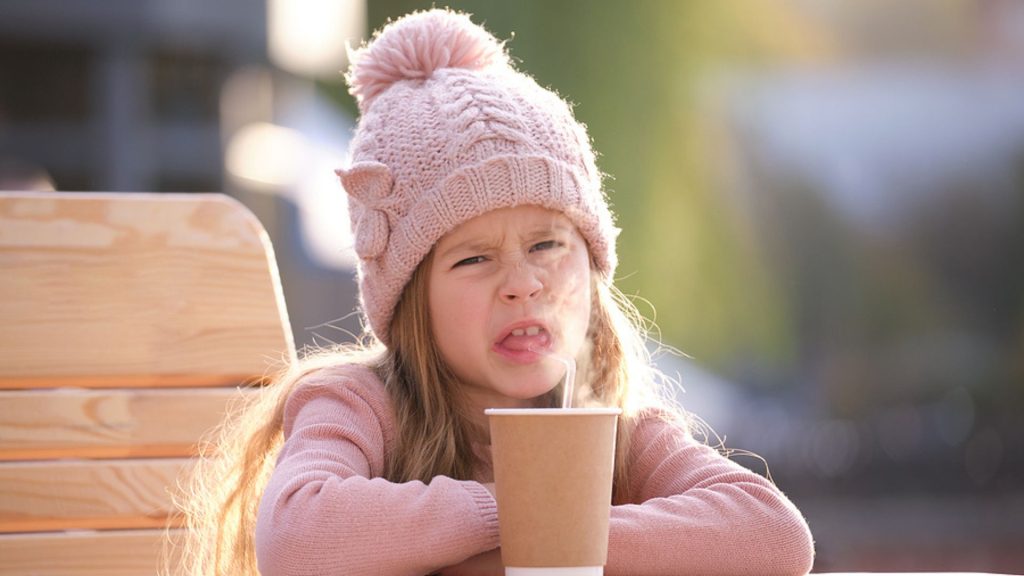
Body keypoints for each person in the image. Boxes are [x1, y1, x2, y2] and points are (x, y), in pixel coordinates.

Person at [179, 9, 814, 576]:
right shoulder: (359, 405)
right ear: (408, 302)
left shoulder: (618, 435)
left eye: (547, 246)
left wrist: (543, 545)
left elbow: (774, 536)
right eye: (475, 258)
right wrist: (520, 513)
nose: (522, 285)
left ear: (592, 268)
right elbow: (298, 538)